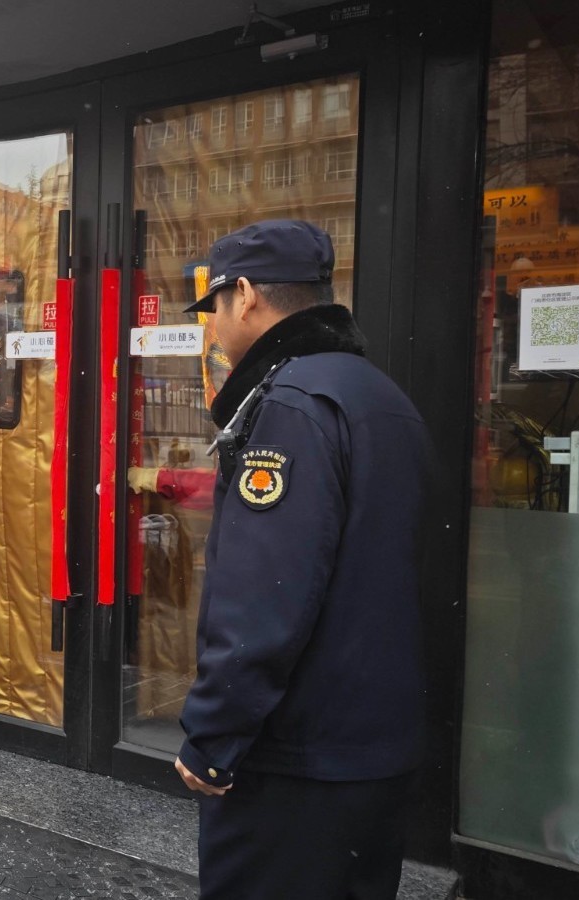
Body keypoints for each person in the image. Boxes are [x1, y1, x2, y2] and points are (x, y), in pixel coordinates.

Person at [173, 220, 430, 900]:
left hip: (298, 766)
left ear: (247, 295)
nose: (213, 329)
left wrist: (211, 736)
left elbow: (264, 598)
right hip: (374, 752)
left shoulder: (289, 406)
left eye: (215, 308)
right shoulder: (381, 397)